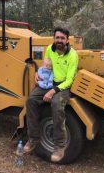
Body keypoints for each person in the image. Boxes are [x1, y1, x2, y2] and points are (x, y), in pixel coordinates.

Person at [24, 27, 78, 163]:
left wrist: (54, 90)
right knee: (31, 100)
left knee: (56, 104)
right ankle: (33, 139)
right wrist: (38, 74)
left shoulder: (73, 55)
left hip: (63, 87)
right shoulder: (49, 49)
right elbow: (45, 66)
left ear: (67, 40)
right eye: (57, 38)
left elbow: (69, 80)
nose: (59, 40)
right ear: (54, 39)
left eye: (62, 38)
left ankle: (59, 146)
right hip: (48, 82)